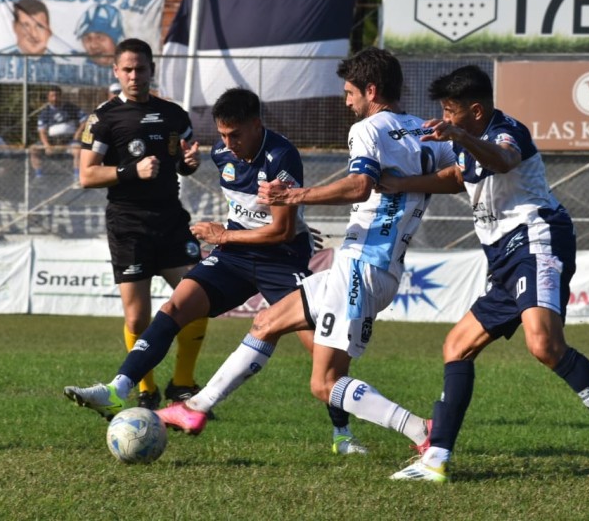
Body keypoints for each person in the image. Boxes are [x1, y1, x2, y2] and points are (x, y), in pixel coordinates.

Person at [146, 47, 456, 457]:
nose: (346, 102)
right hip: (372, 265)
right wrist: (406, 184)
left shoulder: (368, 129)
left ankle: (421, 429)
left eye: (349, 93)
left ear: (371, 89)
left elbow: (360, 185)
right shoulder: (424, 130)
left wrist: (295, 195)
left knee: (324, 383)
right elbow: (456, 179)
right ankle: (195, 408)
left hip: (364, 265)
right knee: (267, 322)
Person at [378, 65, 589, 484]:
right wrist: (402, 184)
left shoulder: (508, 131)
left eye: (451, 111)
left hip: (535, 239)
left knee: (543, 344)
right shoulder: (466, 139)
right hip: (504, 256)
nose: (446, 118)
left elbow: (504, 159)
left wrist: (461, 138)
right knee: (456, 347)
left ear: (475, 110)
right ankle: (435, 459)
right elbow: (458, 176)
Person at [64, 86, 366, 454]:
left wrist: (223, 235)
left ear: (256, 124)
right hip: (235, 256)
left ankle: (343, 435)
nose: (228, 142)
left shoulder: (281, 155)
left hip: (281, 259)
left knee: (321, 349)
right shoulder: (221, 153)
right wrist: (217, 219)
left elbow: (282, 231)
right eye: (222, 134)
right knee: (175, 307)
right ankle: (118, 389)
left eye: (235, 134)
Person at [63, 37, 209, 411]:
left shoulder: (174, 114)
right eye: (126, 69)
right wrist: (132, 170)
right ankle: (146, 388)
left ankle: (183, 384)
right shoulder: (103, 118)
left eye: (140, 68)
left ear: (151, 69)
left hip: (171, 220)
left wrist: (188, 164)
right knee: (137, 315)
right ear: (115, 71)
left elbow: (182, 161)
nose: (134, 76)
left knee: (198, 299)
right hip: (129, 225)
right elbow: (86, 175)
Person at [30, 86, 87, 181]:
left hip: (69, 141)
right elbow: (42, 131)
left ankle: (77, 176)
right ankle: (39, 176)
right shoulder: (45, 113)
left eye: (57, 95)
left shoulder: (71, 107)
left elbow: (85, 120)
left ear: (61, 96)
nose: (55, 98)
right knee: (33, 149)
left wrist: (77, 134)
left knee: (78, 150)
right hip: (52, 141)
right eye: (52, 96)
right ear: (48, 97)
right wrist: (46, 145)